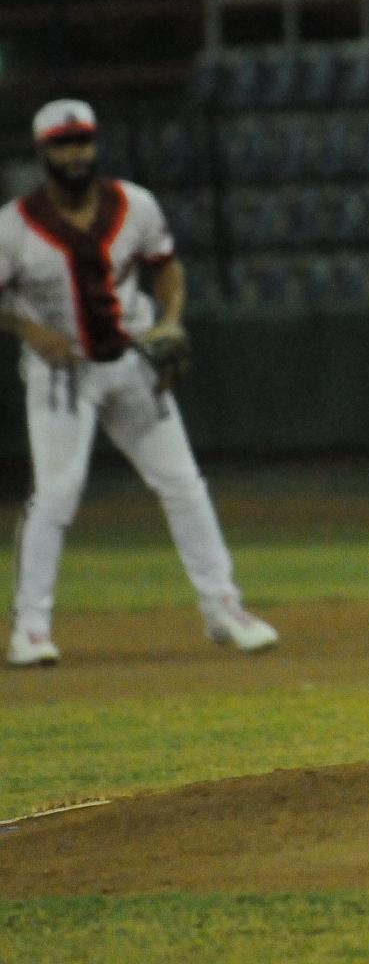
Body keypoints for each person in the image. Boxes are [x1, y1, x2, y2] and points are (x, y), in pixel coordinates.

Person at [4, 99, 278, 667]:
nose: (75, 153)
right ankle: (30, 627)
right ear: (42, 152)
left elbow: (167, 266)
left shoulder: (134, 204)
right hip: (62, 374)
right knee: (56, 494)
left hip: (131, 364)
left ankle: (224, 607)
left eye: (82, 141)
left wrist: (172, 320)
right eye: (63, 143)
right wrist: (31, 331)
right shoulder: (14, 226)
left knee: (182, 482)